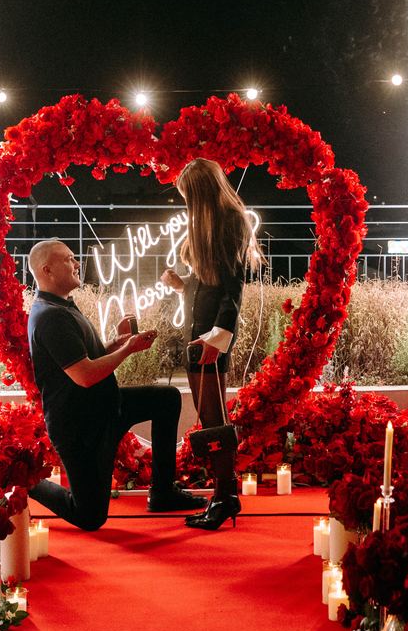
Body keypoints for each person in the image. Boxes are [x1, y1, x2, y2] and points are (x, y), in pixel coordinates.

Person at [26, 239, 205, 531]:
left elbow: (85, 358)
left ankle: (162, 492)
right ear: (46, 269)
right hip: (80, 426)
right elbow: (84, 375)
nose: (76, 264)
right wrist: (128, 349)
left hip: (105, 406)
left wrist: (115, 344)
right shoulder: (51, 316)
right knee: (89, 516)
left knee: (167, 399)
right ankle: (28, 482)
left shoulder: (62, 306)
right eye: (68, 259)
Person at [161, 158, 263, 530]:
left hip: (209, 338)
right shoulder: (213, 223)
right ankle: (223, 496)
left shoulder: (229, 222)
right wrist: (183, 286)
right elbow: (213, 285)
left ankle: (225, 497)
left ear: (200, 192)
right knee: (210, 419)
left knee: (214, 420)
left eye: (188, 195)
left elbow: (234, 289)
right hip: (202, 334)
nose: (186, 203)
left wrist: (218, 338)